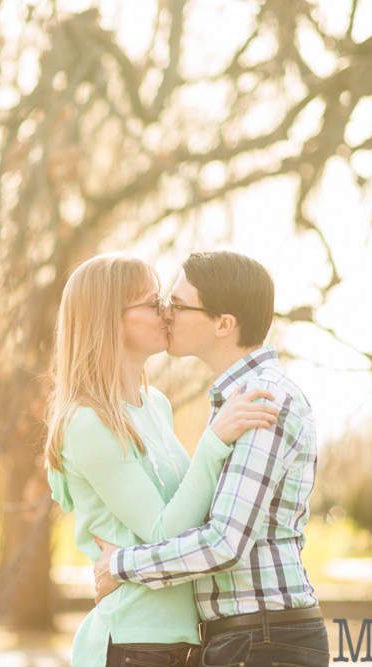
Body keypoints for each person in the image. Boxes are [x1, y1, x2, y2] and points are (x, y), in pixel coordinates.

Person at [92, 251, 328, 667]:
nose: (166, 312)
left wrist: (122, 564)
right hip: (249, 636)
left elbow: (224, 543)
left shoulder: (264, 399)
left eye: (179, 305)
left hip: (265, 637)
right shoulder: (236, 402)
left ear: (223, 323)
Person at [44, 254, 279, 667]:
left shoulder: (156, 405)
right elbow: (161, 532)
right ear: (110, 319)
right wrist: (214, 440)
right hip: (134, 642)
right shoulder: (87, 423)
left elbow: (201, 515)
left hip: (185, 641)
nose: (167, 311)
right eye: (153, 304)